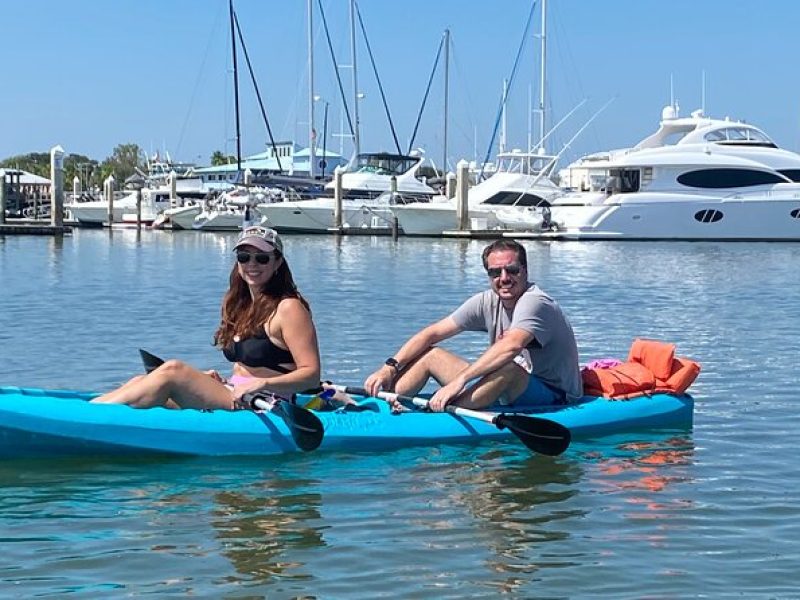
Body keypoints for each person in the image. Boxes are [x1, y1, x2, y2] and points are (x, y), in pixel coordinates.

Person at [92, 225, 320, 410]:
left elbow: (311, 375)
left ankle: (91, 417)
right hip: (234, 391)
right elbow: (246, 367)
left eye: (262, 258)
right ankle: (90, 410)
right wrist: (218, 381)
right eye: (244, 257)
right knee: (140, 381)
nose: (252, 264)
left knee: (173, 371)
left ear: (277, 262)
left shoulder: (289, 308)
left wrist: (262, 383)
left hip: (266, 402)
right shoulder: (242, 305)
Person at [363, 239, 582, 412]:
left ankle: (442, 413)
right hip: (505, 385)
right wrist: (388, 369)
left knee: (508, 367)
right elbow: (432, 333)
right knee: (432, 355)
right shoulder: (487, 301)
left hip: (553, 394)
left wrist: (460, 381)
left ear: (525, 271)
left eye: (512, 270)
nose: (504, 278)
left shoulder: (535, 302)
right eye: (495, 272)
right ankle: (385, 405)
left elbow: (511, 346)